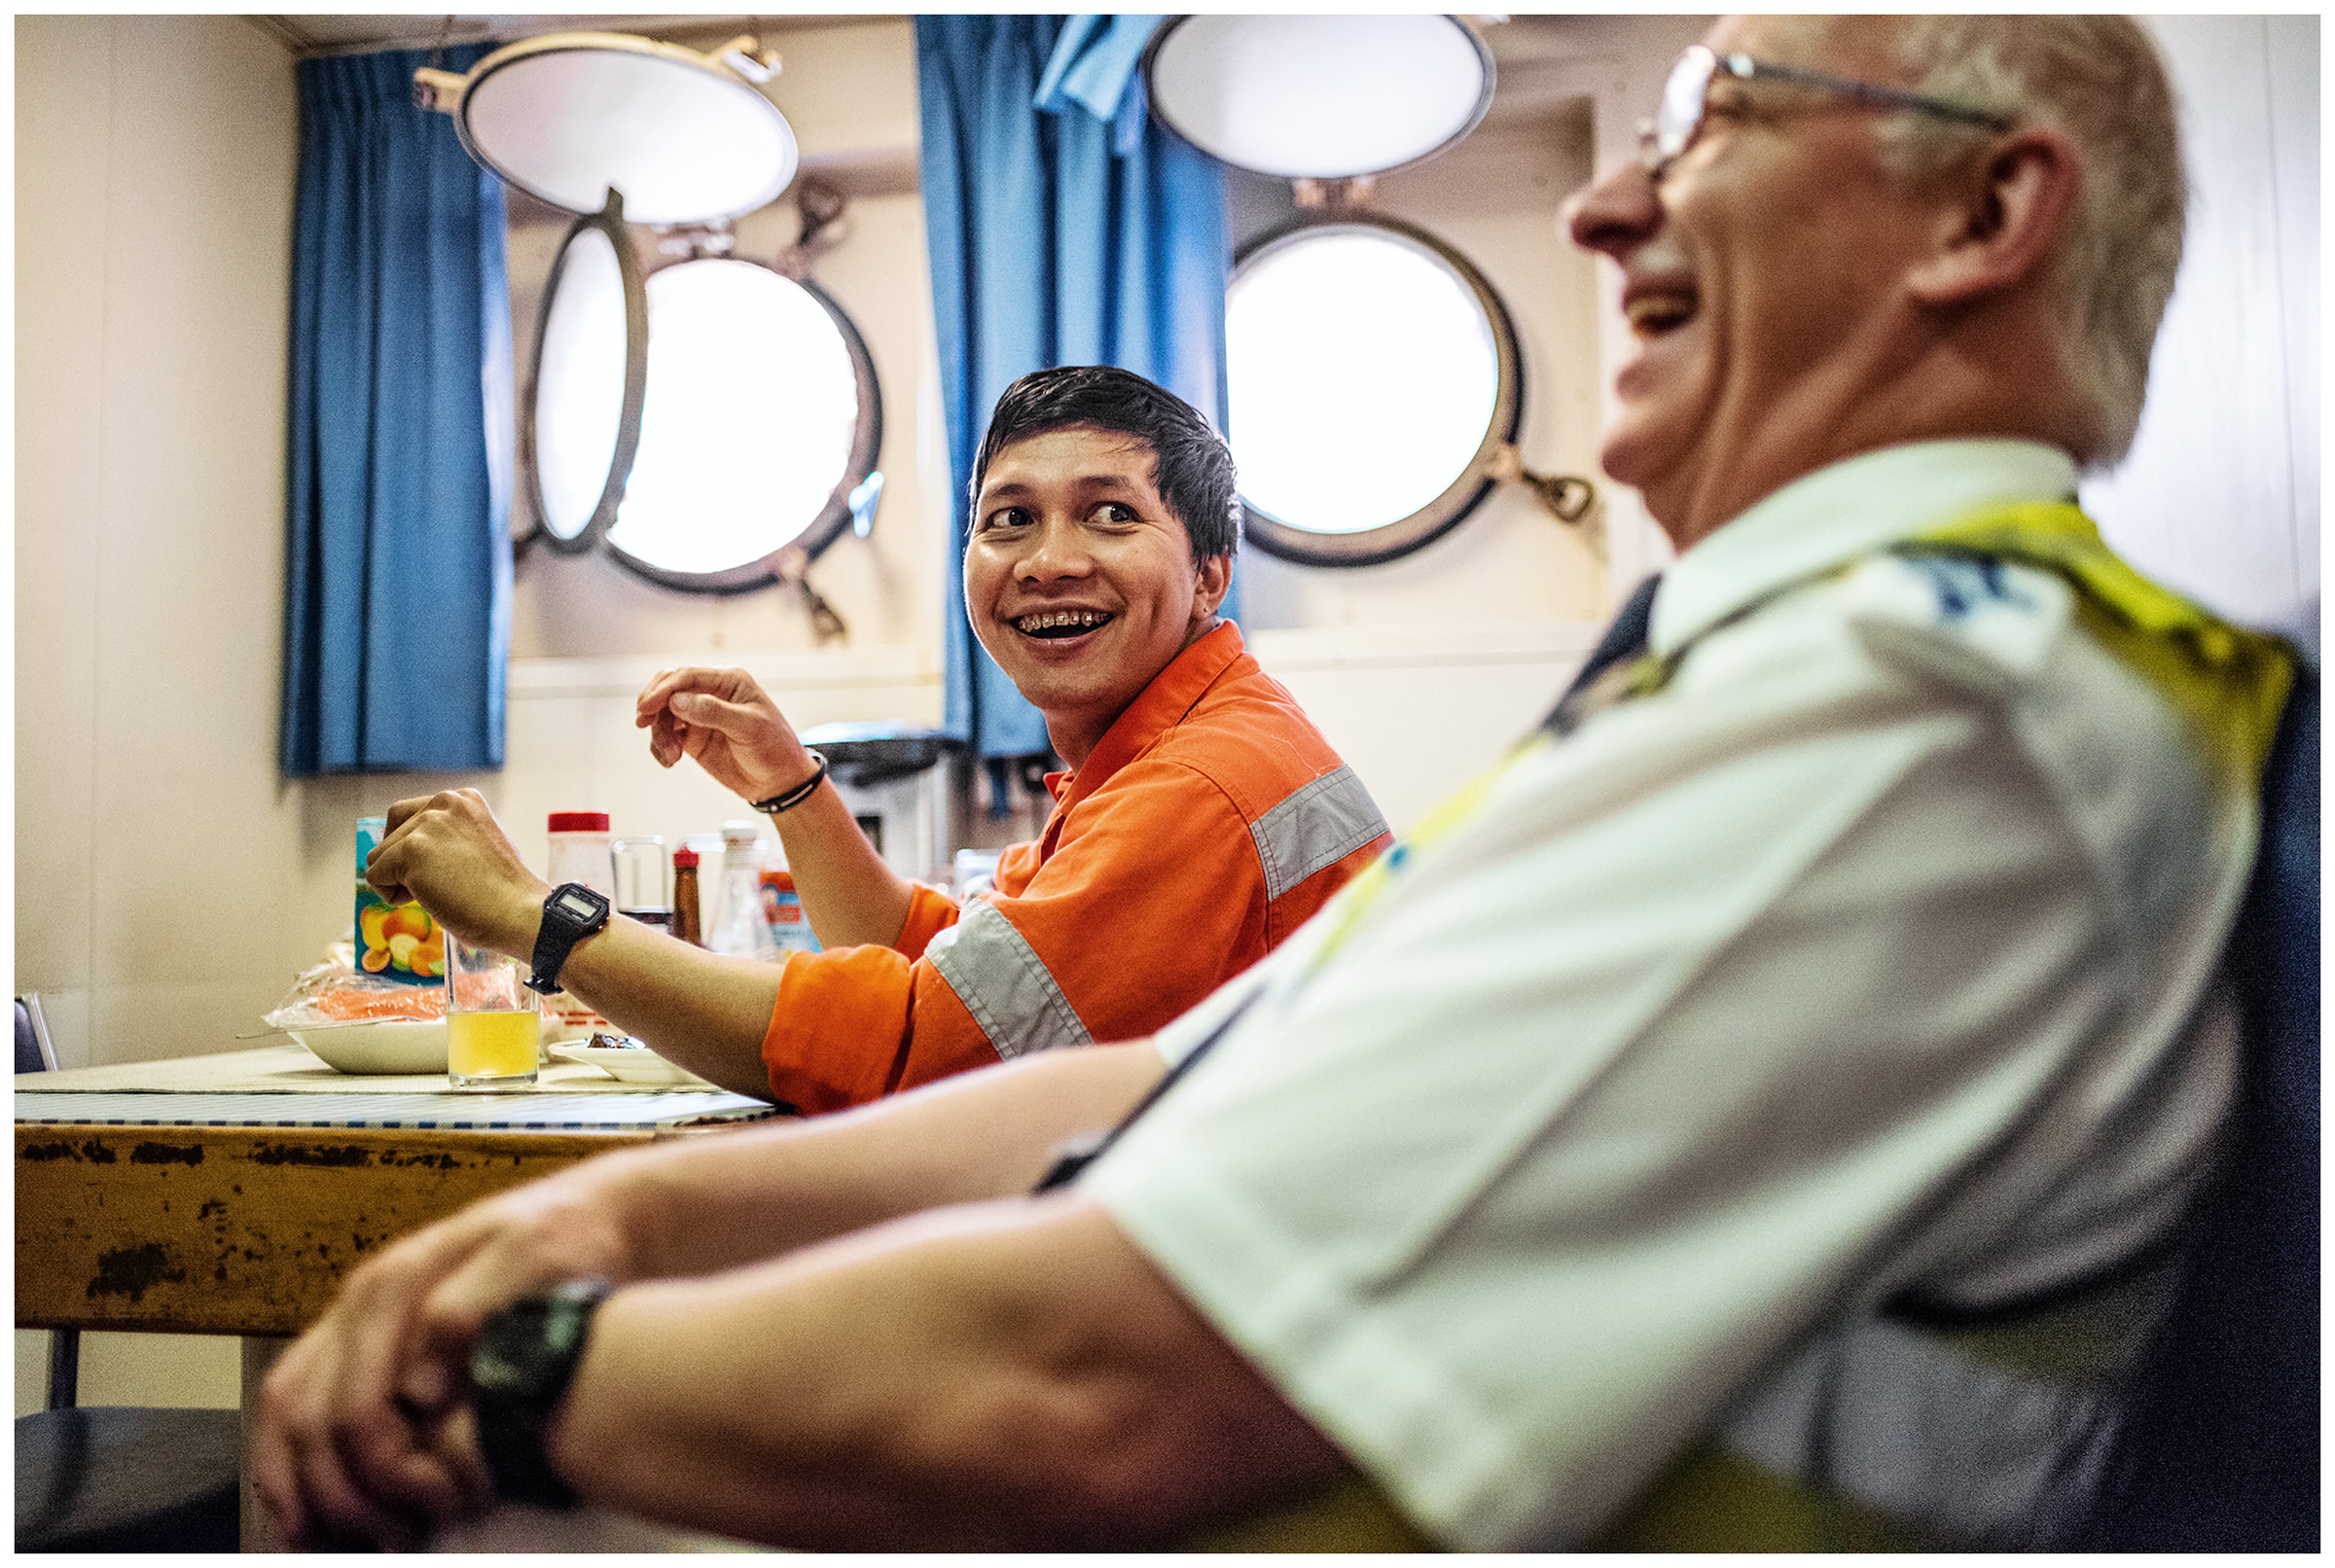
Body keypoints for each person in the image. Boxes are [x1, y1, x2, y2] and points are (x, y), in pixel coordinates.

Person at [255, 16, 2297, 1552]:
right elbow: (1164, 1073)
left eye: (1719, 126)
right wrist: (612, 1206)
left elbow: (1095, 1364)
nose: (1598, 207)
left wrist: (498, 1365)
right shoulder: (1779, 664)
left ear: (1986, 213)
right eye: (1003, 518)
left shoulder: (1920, 704)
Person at [369, 366, 1390, 1108]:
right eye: (1010, 520)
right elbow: (956, 969)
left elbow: (913, 1051)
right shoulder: (1176, 739)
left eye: (1111, 515)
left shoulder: (1202, 783)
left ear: (1211, 572)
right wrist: (795, 788)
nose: (1049, 561)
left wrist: (529, 914)